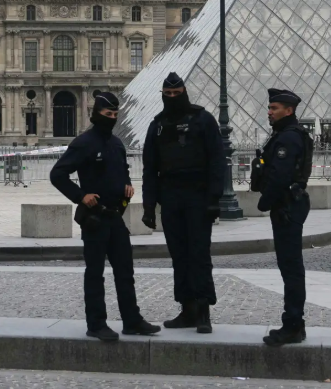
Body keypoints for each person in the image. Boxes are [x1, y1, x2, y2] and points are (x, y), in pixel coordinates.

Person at [50, 92, 160, 342]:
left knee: (125, 271)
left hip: (115, 217)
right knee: (95, 272)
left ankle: (132, 320)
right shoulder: (83, 143)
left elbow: (122, 170)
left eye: (114, 115)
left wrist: (127, 185)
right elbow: (58, 174)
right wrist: (80, 196)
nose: (111, 118)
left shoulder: (117, 143)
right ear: (96, 114)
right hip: (95, 218)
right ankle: (96, 323)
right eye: (107, 114)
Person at [141, 72, 224, 334]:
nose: (173, 98)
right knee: (179, 255)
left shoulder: (203, 120)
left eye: (177, 94)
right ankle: (186, 308)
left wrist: (214, 199)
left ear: (185, 92)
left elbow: (217, 162)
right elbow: (149, 169)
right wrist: (148, 206)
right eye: (169, 94)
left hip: (198, 196)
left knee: (199, 253)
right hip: (171, 196)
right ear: (163, 95)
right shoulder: (156, 125)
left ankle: (203, 310)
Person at [251, 89, 313, 346]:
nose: (269, 111)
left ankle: (293, 325)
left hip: (286, 206)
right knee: (290, 267)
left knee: (291, 268)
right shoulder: (287, 135)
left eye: (274, 107)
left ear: (289, 110)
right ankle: (295, 324)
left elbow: (279, 176)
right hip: (289, 205)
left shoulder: (288, 138)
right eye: (270, 107)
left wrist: (264, 203)